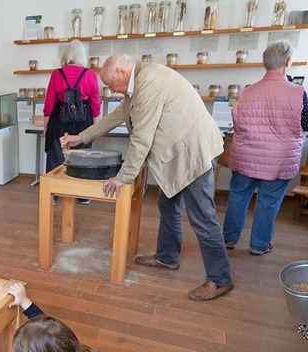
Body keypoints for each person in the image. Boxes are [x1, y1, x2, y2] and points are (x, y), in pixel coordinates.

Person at [61, 54, 233, 302]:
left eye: (111, 84)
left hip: (192, 154)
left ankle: (220, 279)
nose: (111, 90)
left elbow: (141, 137)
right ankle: (167, 257)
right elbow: (116, 116)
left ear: (121, 71)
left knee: (203, 217)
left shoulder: (149, 82)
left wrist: (123, 177)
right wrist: (81, 137)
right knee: (168, 204)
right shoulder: (137, 83)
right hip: (179, 153)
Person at [223, 41, 308, 256]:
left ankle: (229, 239)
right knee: (268, 202)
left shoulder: (248, 91)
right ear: (288, 62)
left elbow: (236, 121)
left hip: (245, 155)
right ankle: (259, 245)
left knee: (238, 196)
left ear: (264, 63)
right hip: (279, 159)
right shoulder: (299, 93)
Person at [43, 40, 101, 206]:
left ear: (66, 56)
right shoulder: (90, 75)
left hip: (59, 119)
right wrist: (95, 125)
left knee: (55, 155)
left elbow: (49, 103)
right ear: (82, 56)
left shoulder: (57, 74)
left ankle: (53, 195)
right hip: (83, 121)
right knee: (83, 156)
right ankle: (82, 194)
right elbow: (95, 103)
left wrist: (46, 125)